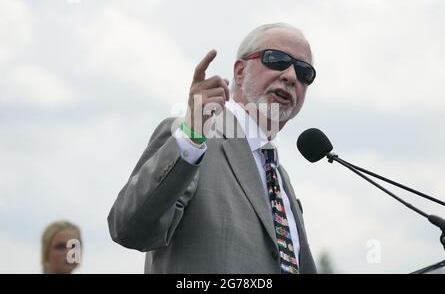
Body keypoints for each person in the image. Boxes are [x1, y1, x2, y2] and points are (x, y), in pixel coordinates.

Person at [108, 22, 317, 274]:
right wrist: (191, 136)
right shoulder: (194, 141)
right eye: (277, 60)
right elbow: (129, 229)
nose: (291, 76)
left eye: (305, 72)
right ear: (240, 71)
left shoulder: (280, 181)